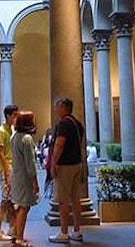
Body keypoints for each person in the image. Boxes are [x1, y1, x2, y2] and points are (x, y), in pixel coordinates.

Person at [49, 98, 86, 244]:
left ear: (63, 108)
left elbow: (59, 144)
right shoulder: (78, 124)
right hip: (77, 164)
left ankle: (63, 232)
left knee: (63, 200)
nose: (55, 110)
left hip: (65, 166)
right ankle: (77, 230)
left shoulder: (63, 123)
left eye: (56, 107)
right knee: (76, 200)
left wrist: (53, 163)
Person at [11, 111, 40, 247]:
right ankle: (19, 238)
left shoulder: (14, 136)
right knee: (24, 207)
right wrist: (35, 181)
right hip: (24, 178)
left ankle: (16, 233)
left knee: (19, 206)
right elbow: (30, 163)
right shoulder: (27, 139)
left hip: (16, 175)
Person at [0, 104, 19, 242]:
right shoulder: (1, 132)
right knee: (5, 199)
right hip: (5, 169)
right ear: (8, 115)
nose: (16, 118)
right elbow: (0, 154)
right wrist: (7, 171)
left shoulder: (10, 130)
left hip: (11, 168)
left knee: (11, 199)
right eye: (14, 115)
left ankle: (12, 228)